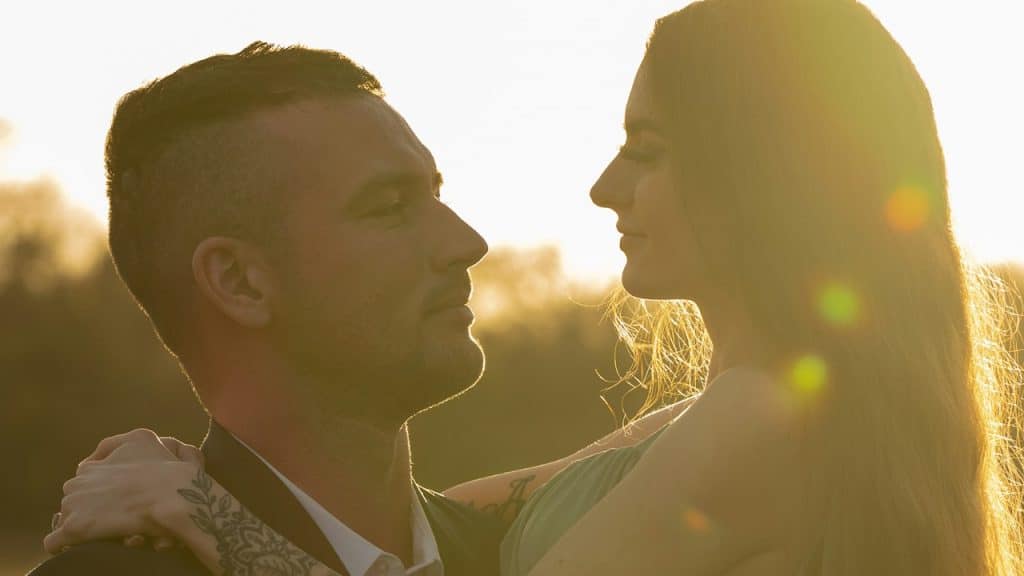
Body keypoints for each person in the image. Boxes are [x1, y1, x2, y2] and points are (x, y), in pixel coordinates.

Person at [39, 0, 1024, 574]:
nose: (603, 187)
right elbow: (458, 516)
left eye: (646, 150)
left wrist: (217, 521)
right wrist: (192, 475)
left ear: (758, 177)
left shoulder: (758, 424)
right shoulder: (705, 420)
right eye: (390, 206)